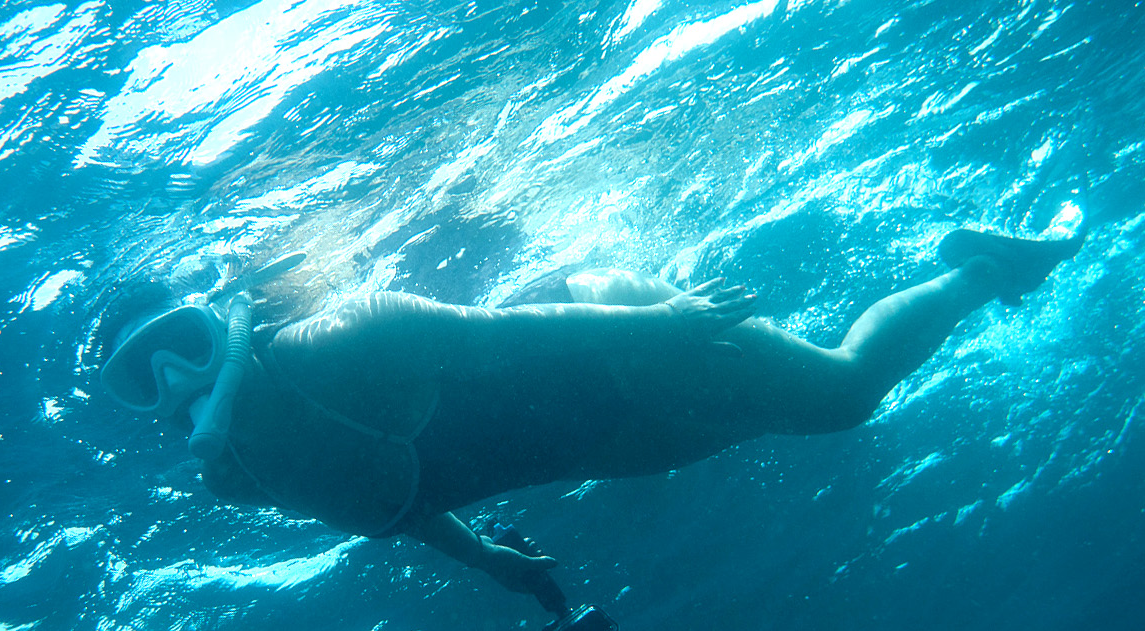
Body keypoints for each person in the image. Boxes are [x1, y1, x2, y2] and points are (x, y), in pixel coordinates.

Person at [101, 228, 1084, 593]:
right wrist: (490, 561)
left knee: (840, 396)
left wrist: (672, 325)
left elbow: (510, 335)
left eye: (183, 344)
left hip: (612, 341)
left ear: (222, 325)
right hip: (610, 441)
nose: (178, 381)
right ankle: (981, 270)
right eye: (142, 379)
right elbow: (388, 501)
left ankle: (976, 269)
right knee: (804, 410)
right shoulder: (239, 475)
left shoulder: (350, 337)